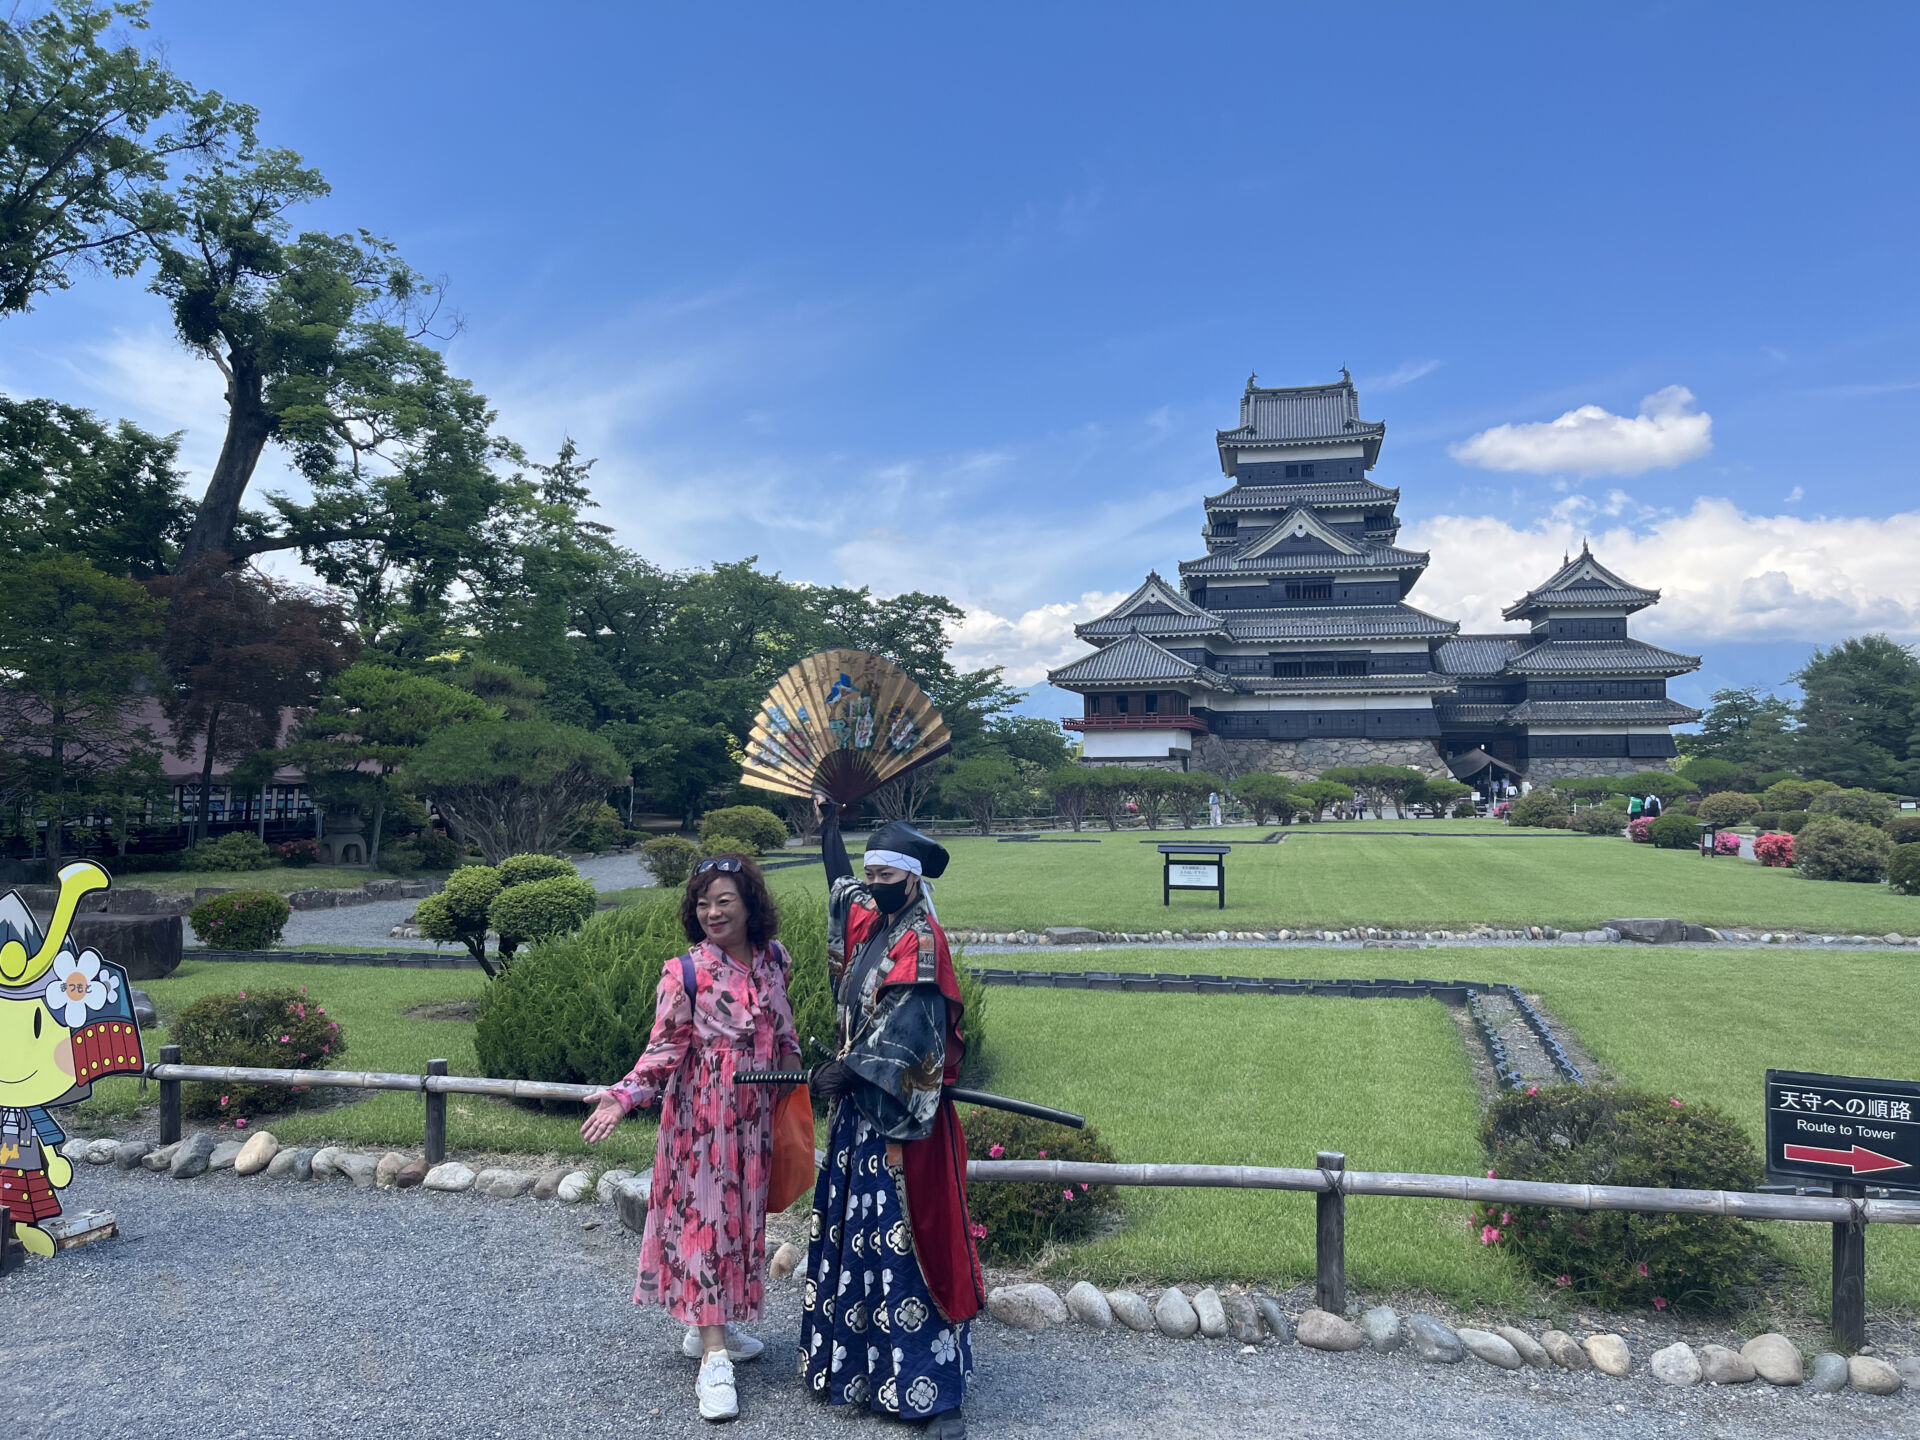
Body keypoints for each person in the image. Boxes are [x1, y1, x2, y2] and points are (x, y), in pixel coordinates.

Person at [581, 853, 802, 1424]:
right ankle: (714, 1355)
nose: (712, 912)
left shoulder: (775, 959)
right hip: (702, 1121)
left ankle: (711, 1325)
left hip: (754, 1121)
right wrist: (623, 1095)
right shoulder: (685, 971)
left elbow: (785, 1030)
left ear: (751, 902)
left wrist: (799, 1082)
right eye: (702, 903)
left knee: (739, 1224)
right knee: (705, 1225)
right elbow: (662, 1050)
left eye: (724, 900)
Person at [800, 805, 983, 1439]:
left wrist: (844, 1072)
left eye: (883, 872)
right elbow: (840, 884)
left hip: (906, 1124)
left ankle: (934, 1396)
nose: (870, 881)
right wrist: (829, 826)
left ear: (910, 879)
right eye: (869, 870)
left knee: (910, 1244)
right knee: (858, 1238)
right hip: (861, 1119)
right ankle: (863, 1372)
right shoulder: (873, 921)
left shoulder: (921, 941)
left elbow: (906, 1028)